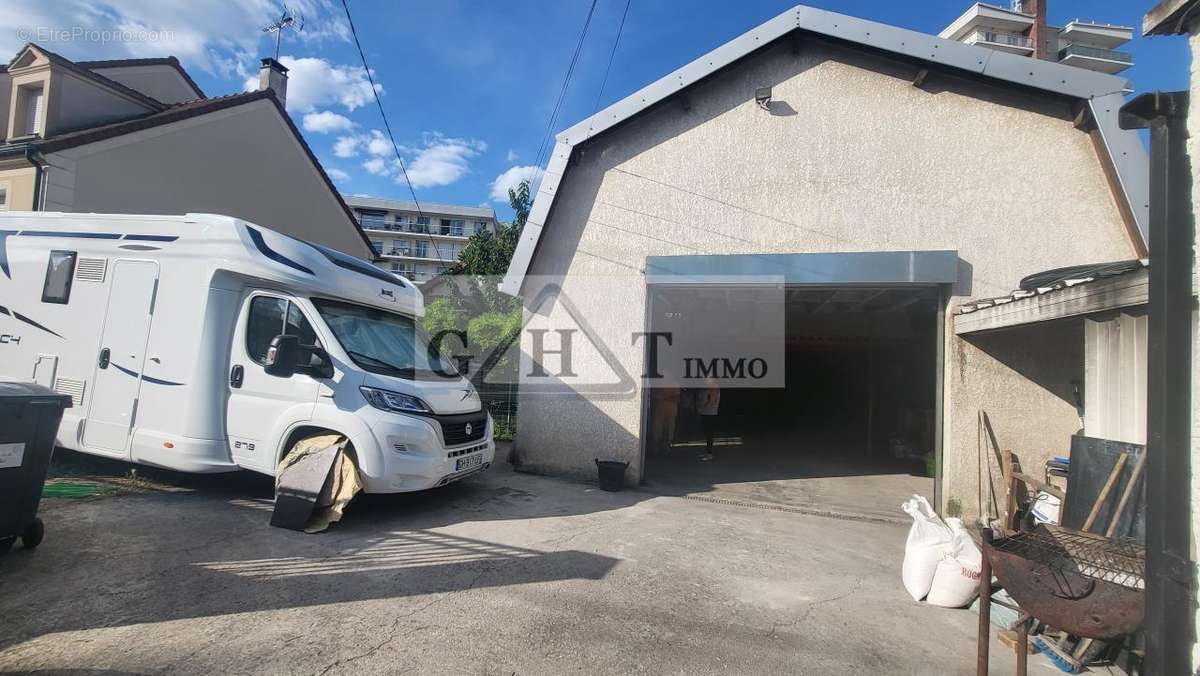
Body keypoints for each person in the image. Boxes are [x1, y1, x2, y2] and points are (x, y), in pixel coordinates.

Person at [696, 379, 720, 461]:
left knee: (709, 434)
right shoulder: (707, 388)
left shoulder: (714, 387)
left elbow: (712, 401)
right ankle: (707, 452)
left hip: (710, 413)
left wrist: (702, 408)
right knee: (707, 434)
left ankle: (709, 454)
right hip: (705, 413)